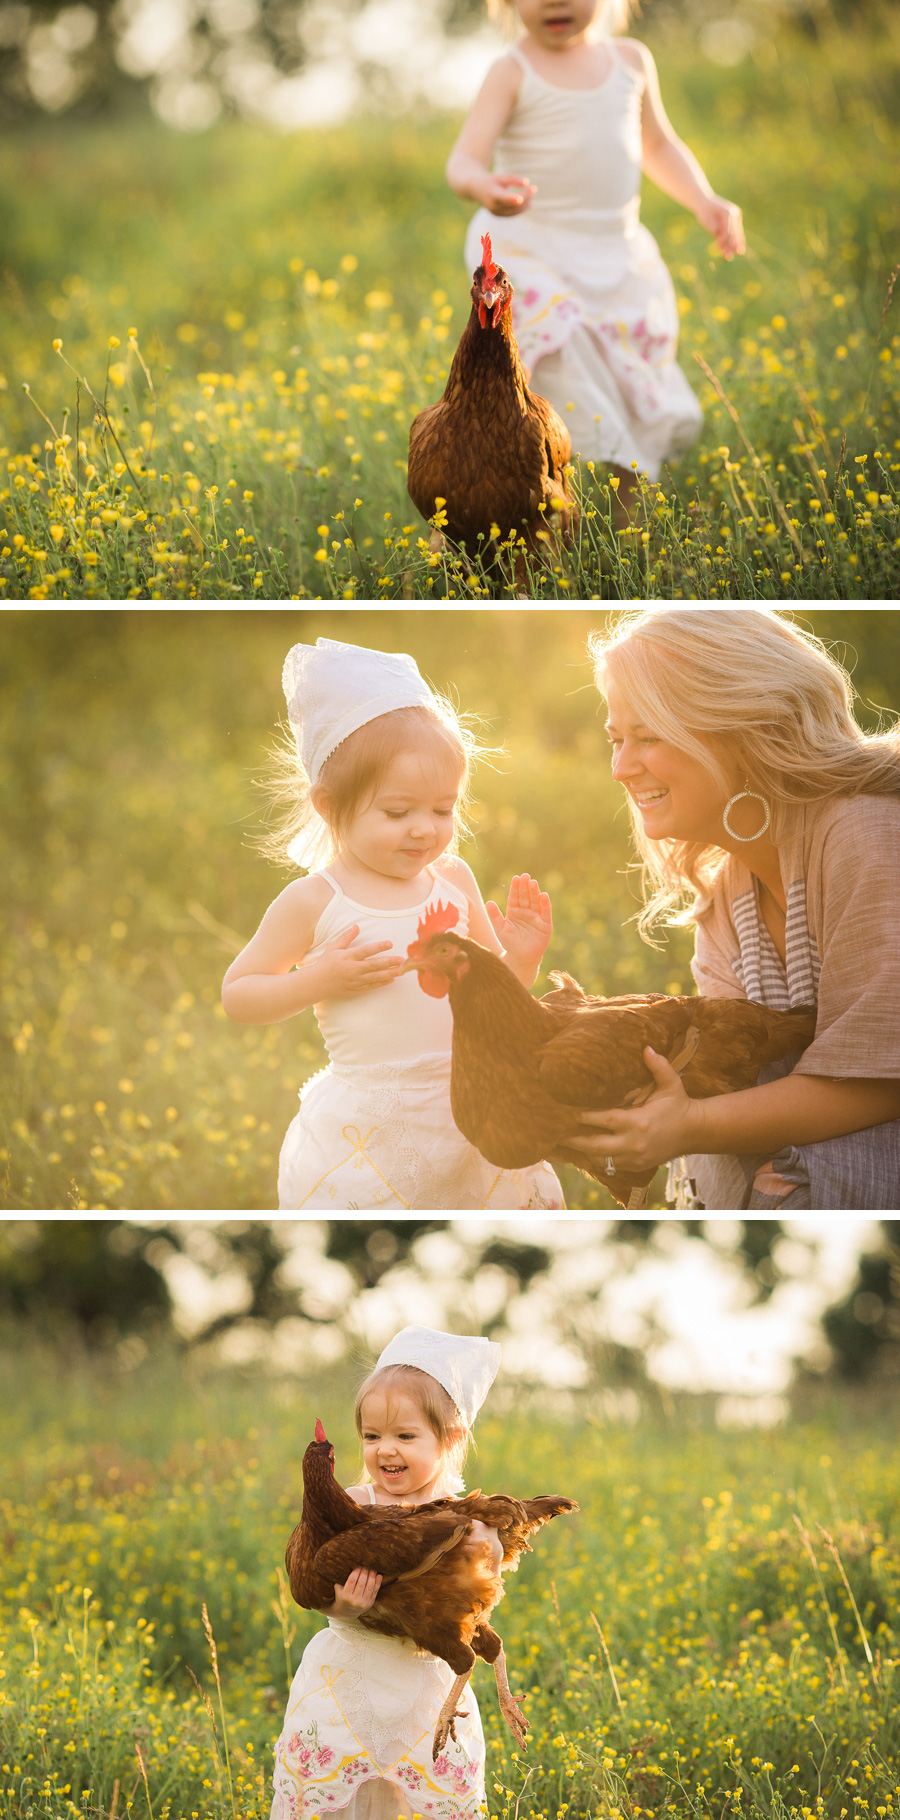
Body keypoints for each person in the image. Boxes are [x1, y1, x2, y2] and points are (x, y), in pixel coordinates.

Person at [567, 607, 900, 1211]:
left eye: (647, 736)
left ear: (737, 728)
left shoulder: (863, 832)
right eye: (617, 740)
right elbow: (719, 1075)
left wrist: (689, 1125)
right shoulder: (726, 895)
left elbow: (883, 1080)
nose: (620, 768)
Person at [222, 636, 564, 1211]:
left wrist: (522, 960)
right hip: (375, 1125)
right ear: (330, 806)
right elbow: (239, 995)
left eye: (443, 809)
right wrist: (317, 980)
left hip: (473, 1100)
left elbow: (498, 999)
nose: (424, 830)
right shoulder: (313, 901)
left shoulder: (454, 879)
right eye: (398, 812)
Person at [446, 0, 744, 500]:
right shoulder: (511, 70)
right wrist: (483, 185)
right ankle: (539, 510)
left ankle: (630, 547)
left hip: (615, 260)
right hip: (535, 255)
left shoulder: (630, 61)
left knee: (621, 401)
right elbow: (463, 159)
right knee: (568, 381)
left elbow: (659, 145)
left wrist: (704, 199)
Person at [271, 1324, 503, 1820]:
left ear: (451, 1438)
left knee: (410, 1801)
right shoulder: (354, 1504)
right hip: (348, 1678)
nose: (385, 1450)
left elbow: (476, 1597)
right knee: (341, 1799)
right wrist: (343, 1605)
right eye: (372, 1436)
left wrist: (489, 1551)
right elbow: (315, 1581)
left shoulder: (461, 1519)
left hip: (424, 1687)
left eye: (404, 1435)